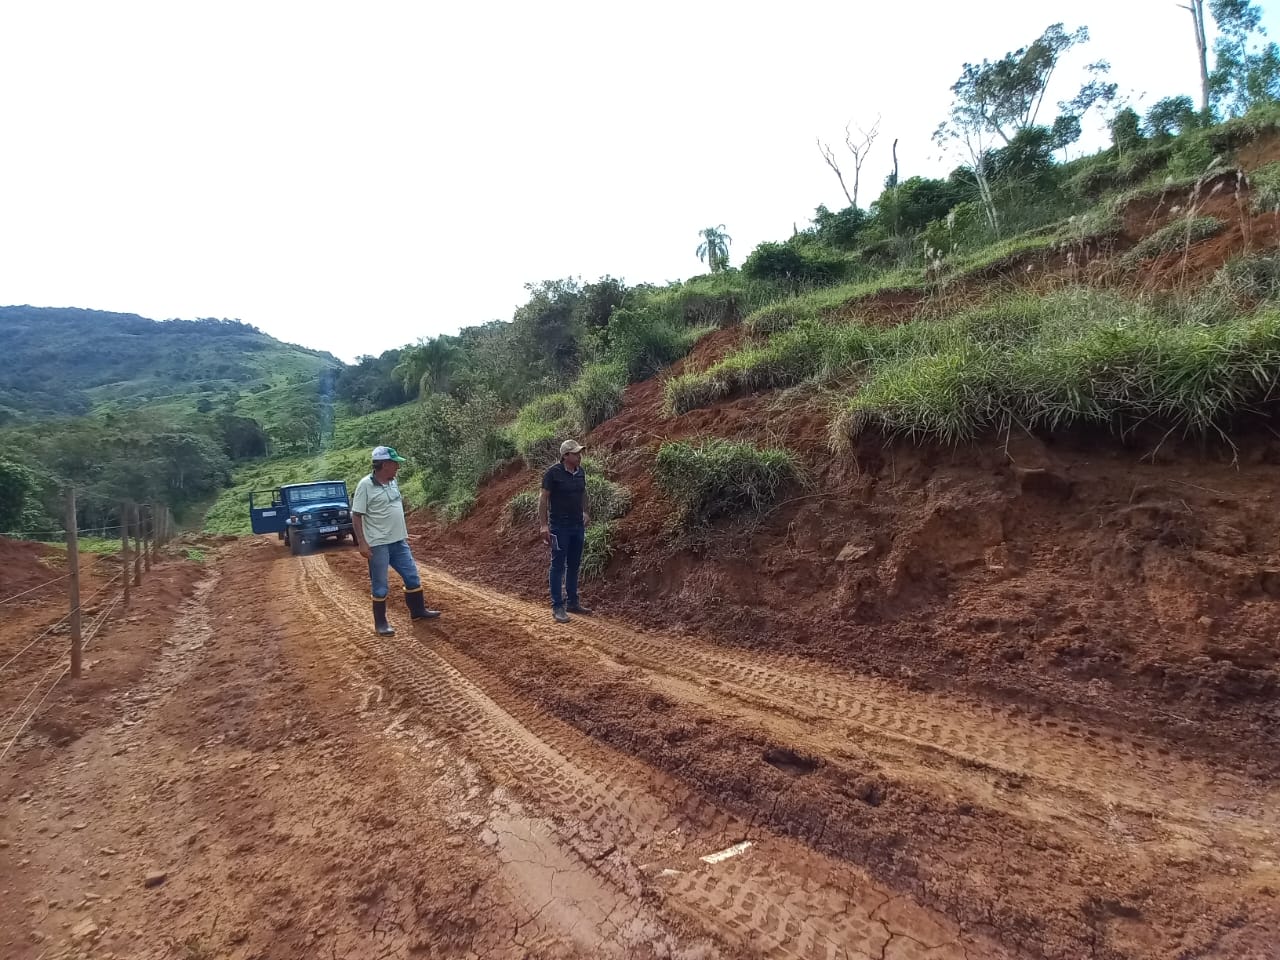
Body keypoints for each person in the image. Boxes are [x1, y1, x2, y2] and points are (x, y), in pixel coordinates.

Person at [351, 445, 440, 636]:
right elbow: (356, 515)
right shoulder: (365, 485)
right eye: (394, 463)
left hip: (398, 542)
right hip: (378, 544)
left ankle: (417, 611)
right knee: (380, 586)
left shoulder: (393, 481)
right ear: (384, 465)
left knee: (412, 577)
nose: (397, 467)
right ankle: (381, 624)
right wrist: (362, 543)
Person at [539, 439, 592, 624]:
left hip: (577, 526)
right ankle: (557, 606)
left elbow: (583, 492)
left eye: (579, 453)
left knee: (574, 565)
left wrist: (585, 511)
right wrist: (544, 525)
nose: (579, 456)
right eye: (576, 453)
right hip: (559, 527)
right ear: (565, 456)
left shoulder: (580, 473)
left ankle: (572, 602)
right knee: (558, 566)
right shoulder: (553, 473)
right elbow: (544, 499)